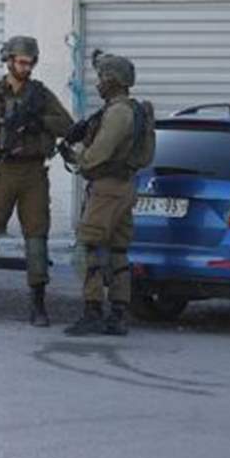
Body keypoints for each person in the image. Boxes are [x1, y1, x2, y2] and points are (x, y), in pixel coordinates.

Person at [0, 36, 73, 326]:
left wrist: (41, 121)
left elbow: (68, 125)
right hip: (3, 171)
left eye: (30, 63)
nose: (26, 68)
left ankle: (38, 305)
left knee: (36, 237)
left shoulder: (41, 95)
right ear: (9, 60)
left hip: (33, 172)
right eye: (22, 62)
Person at [63, 54, 144, 337]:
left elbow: (100, 153)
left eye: (101, 77)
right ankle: (119, 315)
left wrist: (76, 155)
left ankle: (93, 312)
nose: (98, 83)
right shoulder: (131, 109)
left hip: (107, 188)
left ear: (113, 80)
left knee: (89, 248)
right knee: (118, 251)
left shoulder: (118, 113)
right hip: (123, 186)